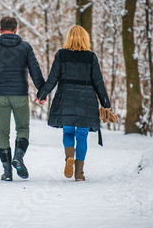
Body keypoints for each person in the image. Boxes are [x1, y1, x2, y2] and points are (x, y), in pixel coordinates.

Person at [36, 25, 112, 181]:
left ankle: (69, 156)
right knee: (82, 136)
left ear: (68, 38)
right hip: (87, 100)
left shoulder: (61, 55)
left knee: (68, 132)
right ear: (85, 39)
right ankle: (79, 173)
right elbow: (98, 82)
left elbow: (52, 79)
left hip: (66, 98)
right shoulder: (91, 57)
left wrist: (42, 94)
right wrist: (106, 103)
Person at [0, 16, 45, 181]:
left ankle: (7, 171)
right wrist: (42, 92)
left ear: (0, 30)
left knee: (3, 132)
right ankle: (18, 157)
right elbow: (35, 71)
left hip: (0, 95)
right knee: (22, 129)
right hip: (20, 95)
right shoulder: (25, 48)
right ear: (16, 30)